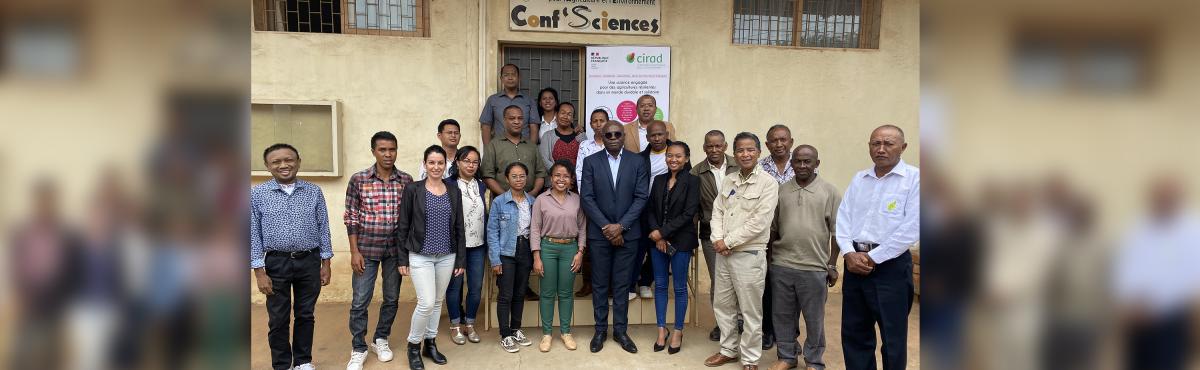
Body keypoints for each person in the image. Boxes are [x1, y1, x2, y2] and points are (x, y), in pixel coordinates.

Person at [835, 125, 919, 370]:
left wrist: (873, 258)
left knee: (892, 337)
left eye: (888, 143)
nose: (881, 149)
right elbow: (843, 219)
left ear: (903, 147)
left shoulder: (915, 179)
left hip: (890, 268)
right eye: (875, 143)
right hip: (854, 265)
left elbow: (912, 228)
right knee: (854, 333)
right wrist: (849, 253)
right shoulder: (859, 179)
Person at [250, 144, 333, 370]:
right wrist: (259, 271)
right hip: (276, 262)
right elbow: (252, 233)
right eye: (276, 162)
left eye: (289, 159)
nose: (284, 165)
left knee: (306, 314)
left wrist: (326, 262)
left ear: (298, 161)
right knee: (278, 319)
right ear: (267, 166)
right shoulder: (257, 194)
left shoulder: (313, 191)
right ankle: (282, 364)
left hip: (309, 261)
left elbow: (323, 227)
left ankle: (303, 361)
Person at [704, 132, 779, 370]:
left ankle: (750, 358)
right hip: (723, 253)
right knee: (723, 305)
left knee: (750, 310)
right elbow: (718, 211)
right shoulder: (729, 179)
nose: (745, 154)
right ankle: (728, 350)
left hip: (749, 254)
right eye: (740, 150)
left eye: (750, 150)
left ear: (758, 152)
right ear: (734, 154)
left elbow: (759, 222)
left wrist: (728, 242)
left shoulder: (768, 183)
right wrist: (718, 240)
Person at [768, 145, 841, 370]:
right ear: (791, 163)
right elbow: (772, 229)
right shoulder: (781, 191)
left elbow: (837, 233)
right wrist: (770, 261)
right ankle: (787, 357)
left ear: (816, 163)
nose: (801, 165)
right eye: (797, 161)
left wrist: (831, 264)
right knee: (782, 316)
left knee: (814, 319)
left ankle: (814, 361)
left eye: (807, 161)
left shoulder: (830, 192)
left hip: (814, 267)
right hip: (782, 264)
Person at [579, 121, 649, 354]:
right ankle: (600, 330)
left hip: (628, 235)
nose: (612, 137)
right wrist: (607, 228)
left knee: (621, 285)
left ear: (623, 136)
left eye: (617, 133)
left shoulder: (637, 161)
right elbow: (587, 198)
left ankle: (620, 331)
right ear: (602, 135)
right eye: (607, 134)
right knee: (599, 284)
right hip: (600, 236)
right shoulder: (591, 162)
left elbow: (641, 197)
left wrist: (621, 227)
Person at [395, 145, 467, 370]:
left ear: (446, 165)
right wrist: (402, 259)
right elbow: (403, 225)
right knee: (426, 302)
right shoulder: (413, 190)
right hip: (420, 255)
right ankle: (413, 346)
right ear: (425, 164)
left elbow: (459, 227)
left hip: (447, 255)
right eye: (431, 162)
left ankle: (431, 343)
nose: (436, 167)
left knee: (437, 302)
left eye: (440, 162)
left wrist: (461, 260)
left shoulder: (453, 190)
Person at [344, 132, 413, 370]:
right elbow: (351, 217)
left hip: (395, 250)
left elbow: (410, 217)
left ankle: (380, 339)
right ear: (373, 151)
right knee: (360, 300)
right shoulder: (359, 179)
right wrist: (354, 251)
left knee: (392, 298)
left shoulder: (406, 180)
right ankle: (358, 347)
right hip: (366, 249)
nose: (388, 154)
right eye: (382, 149)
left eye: (392, 149)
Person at [644, 141, 699, 355]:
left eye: (678, 156)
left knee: (679, 288)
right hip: (658, 241)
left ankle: (677, 331)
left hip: (681, 242)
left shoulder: (693, 181)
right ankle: (661, 330)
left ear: (686, 159)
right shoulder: (658, 180)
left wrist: (663, 233)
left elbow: (688, 214)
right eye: (670, 155)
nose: (673, 159)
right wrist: (657, 233)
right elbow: (650, 210)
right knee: (659, 285)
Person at [530, 160, 587, 352]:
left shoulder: (577, 200)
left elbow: (582, 227)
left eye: (566, 176)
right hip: (548, 248)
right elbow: (535, 229)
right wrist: (536, 256)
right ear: (551, 178)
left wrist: (580, 252)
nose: (561, 179)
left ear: (571, 179)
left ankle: (565, 332)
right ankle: (547, 334)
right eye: (557, 175)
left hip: (570, 249)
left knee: (565, 293)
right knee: (546, 293)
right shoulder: (541, 199)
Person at [691, 129, 738, 342]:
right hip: (711, 235)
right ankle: (721, 324)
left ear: (725, 146)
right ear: (704, 148)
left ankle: (740, 322)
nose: (714, 149)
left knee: (741, 280)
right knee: (719, 281)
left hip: (740, 234)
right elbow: (693, 209)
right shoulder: (696, 173)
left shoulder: (740, 166)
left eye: (718, 145)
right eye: (710, 146)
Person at [488, 162, 537, 353]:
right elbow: (492, 231)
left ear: (527, 178)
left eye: (522, 176)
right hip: (506, 252)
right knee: (505, 295)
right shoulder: (499, 202)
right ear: (507, 179)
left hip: (525, 249)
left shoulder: (533, 201)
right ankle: (505, 334)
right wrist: (495, 259)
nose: (519, 179)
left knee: (519, 293)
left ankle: (516, 329)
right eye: (514, 176)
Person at [758, 124, 794, 350]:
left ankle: (790, 335)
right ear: (767, 144)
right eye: (774, 140)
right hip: (766, 234)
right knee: (767, 283)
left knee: (791, 287)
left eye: (783, 139)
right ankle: (767, 331)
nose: (779, 144)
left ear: (791, 141)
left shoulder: (802, 164)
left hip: (793, 233)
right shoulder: (760, 167)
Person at [445, 146, 486, 345]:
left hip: (478, 245)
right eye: (466, 160)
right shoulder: (448, 185)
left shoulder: (481, 185)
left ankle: (469, 323)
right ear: (458, 162)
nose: (471, 165)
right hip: (455, 246)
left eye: (475, 161)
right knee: (454, 287)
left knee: (476, 287)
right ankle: (455, 325)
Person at [629, 120, 671, 301]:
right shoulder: (639, 158)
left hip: (666, 210)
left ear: (667, 135)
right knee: (638, 248)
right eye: (653, 135)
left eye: (660, 134)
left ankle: (646, 282)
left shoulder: (676, 154)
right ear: (647, 138)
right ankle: (630, 285)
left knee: (659, 247)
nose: (657, 138)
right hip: (643, 209)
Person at [572, 108, 611, 297]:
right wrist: (586, 198)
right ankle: (588, 283)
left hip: (611, 201)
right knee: (588, 241)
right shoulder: (585, 145)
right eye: (594, 120)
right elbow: (579, 172)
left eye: (602, 120)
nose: (598, 124)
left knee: (610, 240)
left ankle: (610, 284)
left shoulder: (614, 144)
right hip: (589, 201)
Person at [482, 105, 547, 196]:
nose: (517, 121)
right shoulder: (493, 145)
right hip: (502, 203)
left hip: (530, 202)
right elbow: (487, 176)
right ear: (504, 120)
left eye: (520, 118)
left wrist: (532, 194)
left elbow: (540, 174)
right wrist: (506, 197)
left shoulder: (532, 146)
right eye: (512, 118)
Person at [479, 64, 537, 145]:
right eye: (506, 75)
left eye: (513, 74)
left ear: (519, 78)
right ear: (501, 79)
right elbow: (485, 126)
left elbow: (534, 127)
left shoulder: (529, 101)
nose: (510, 78)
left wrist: (531, 149)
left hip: (524, 148)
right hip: (500, 148)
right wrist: (489, 150)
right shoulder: (493, 100)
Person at [538, 102, 585, 171]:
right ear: (556, 115)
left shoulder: (581, 136)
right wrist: (559, 174)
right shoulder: (547, 136)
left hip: (576, 178)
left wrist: (573, 175)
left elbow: (585, 159)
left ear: (572, 119)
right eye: (563, 113)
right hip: (554, 178)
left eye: (569, 114)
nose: (565, 117)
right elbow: (544, 159)